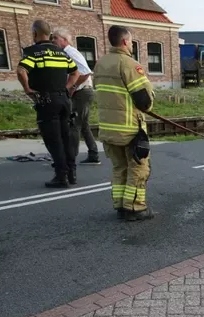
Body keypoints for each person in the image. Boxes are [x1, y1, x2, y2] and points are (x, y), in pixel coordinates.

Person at [94, 25, 155, 221]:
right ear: (124, 41)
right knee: (138, 168)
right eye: (130, 41)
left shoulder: (100, 64)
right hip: (129, 129)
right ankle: (135, 208)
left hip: (108, 129)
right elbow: (144, 100)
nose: (131, 44)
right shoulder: (129, 64)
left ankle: (120, 206)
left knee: (119, 168)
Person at [17, 20, 80, 188]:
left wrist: (27, 89)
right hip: (64, 100)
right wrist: (67, 88)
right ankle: (72, 173)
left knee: (54, 139)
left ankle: (61, 176)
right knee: (66, 136)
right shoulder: (61, 53)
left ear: (34, 34)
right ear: (50, 34)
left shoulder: (32, 52)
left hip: (46, 100)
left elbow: (21, 70)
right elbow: (75, 72)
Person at [51, 28, 100, 165]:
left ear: (64, 40)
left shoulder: (70, 52)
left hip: (81, 92)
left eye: (55, 38)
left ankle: (70, 158)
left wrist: (72, 87)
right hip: (84, 91)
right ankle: (93, 153)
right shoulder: (66, 53)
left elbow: (85, 72)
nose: (53, 41)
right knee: (83, 125)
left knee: (74, 124)